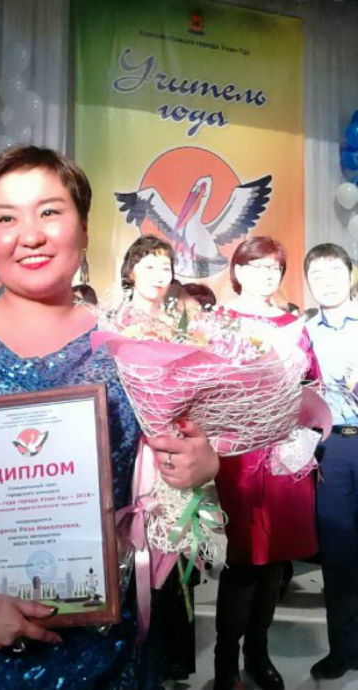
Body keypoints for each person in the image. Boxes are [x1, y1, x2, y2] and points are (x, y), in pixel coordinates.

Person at [0, 145, 219, 690]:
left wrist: (200, 470)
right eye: (6, 218)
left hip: (113, 642)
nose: (30, 234)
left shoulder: (131, 341)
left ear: (83, 229)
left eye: (49, 211)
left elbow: (172, 470)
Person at [213, 236, 320, 690]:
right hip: (239, 456)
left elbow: (311, 381)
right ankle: (225, 663)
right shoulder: (218, 321)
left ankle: (258, 652)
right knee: (244, 560)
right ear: (238, 271)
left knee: (276, 559)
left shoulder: (293, 325)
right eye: (256, 267)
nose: (266, 276)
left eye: (274, 269)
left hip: (285, 453)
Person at [119, 233, 199, 684]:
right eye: (148, 265)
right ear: (130, 271)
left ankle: (170, 658)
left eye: (165, 267)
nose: (158, 274)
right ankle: (136, 657)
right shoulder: (114, 322)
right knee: (137, 551)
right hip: (133, 453)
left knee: (177, 547)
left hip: (175, 448)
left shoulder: (181, 323)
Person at [304, 243, 358, 680]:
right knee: (338, 553)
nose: (326, 282)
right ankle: (343, 649)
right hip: (331, 448)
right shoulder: (303, 334)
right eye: (317, 275)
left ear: (351, 274)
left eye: (334, 272)